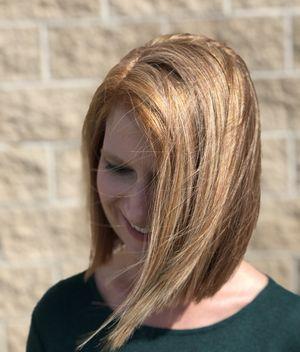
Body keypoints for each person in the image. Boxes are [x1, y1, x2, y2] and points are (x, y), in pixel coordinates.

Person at [26, 33, 300, 352]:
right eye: (118, 168)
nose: (139, 210)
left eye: (167, 182)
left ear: (227, 177)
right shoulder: (60, 315)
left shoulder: (287, 332)